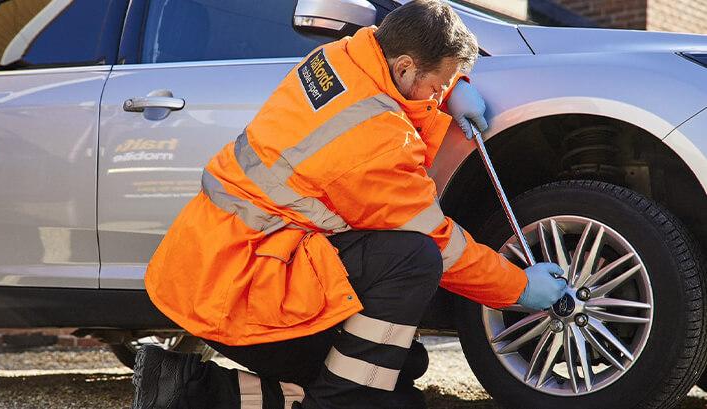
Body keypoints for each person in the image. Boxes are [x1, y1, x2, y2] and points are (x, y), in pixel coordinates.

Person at [131, 1, 567, 408]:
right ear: (405, 67)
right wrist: (518, 287)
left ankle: (178, 385)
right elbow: (440, 244)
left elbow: (395, 86)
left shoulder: (339, 58)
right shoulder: (376, 140)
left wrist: (452, 90)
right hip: (247, 291)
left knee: (404, 366)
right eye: (437, 86)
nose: (439, 95)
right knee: (413, 263)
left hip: (210, 266)